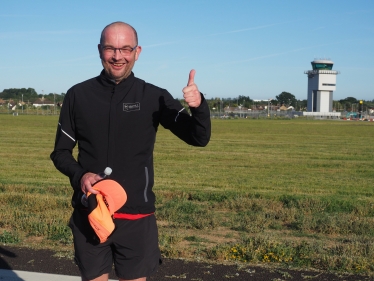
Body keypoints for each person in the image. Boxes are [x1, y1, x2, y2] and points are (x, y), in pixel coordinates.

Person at [50, 21, 211, 281]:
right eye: (110, 49)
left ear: (138, 52)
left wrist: (199, 106)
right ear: (99, 50)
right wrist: (81, 176)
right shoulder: (78, 95)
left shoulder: (154, 96)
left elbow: (199, 137)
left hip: (137, 218)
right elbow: (60, 153)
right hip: (91, 213)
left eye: (126, 49)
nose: (118, 56)